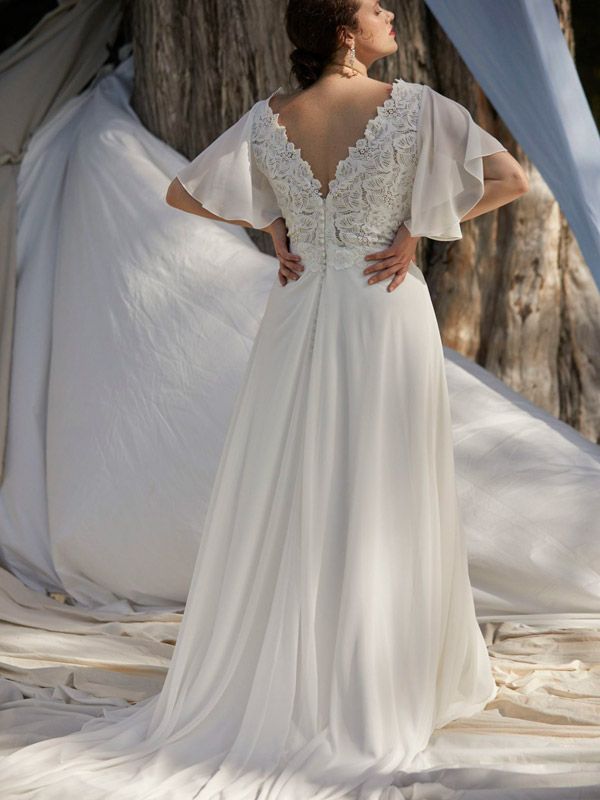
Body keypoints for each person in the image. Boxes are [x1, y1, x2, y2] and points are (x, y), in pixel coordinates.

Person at [0, 0, 528, 797]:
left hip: (297, 312)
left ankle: (292, 671)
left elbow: (184, 194)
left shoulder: (272, 116)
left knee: (295, 489)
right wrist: (419, 229)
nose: (391, 14)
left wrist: (277, 226)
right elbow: (510, 179)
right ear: (344, 33)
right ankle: (382, 677)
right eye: (377, 8)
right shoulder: (416, 106)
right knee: (381, 489)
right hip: (382, 316)